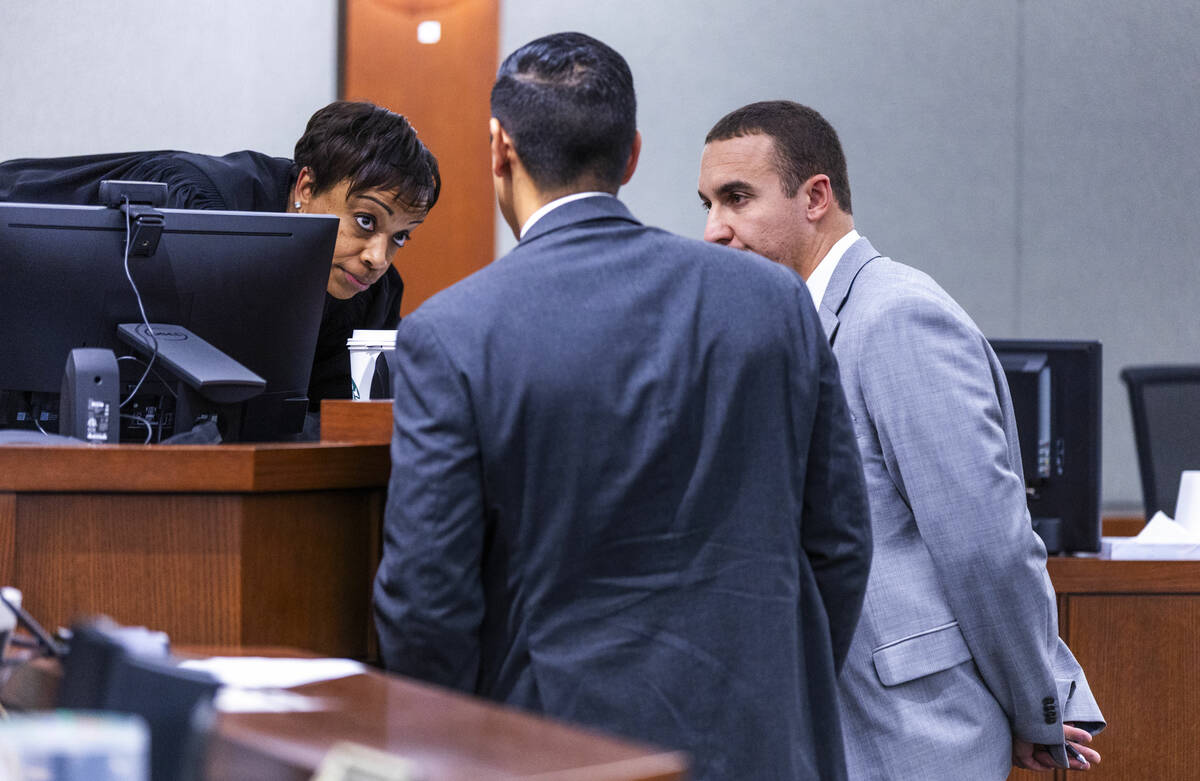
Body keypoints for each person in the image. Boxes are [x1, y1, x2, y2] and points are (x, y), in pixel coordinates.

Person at [373, 33, 873, 780]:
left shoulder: (452, 333)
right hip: (763, 744)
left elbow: (427, 603)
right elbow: (839, 542)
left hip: (555, 749)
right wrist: (777, 692)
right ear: (632, 154)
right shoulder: (774, 303)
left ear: (498, 147)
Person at [697, 100, 1106, 779]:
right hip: (823, 727)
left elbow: (985, 544)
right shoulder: (790, 325)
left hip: (915, 734)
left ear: (816, 197)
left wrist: (1036, 703)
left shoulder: (895, 317)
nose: (714, 229)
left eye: (737, 198)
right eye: (708, 203)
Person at [0, 100, 440, 411]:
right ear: (306, 187)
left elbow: (328, 419)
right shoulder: (205, 211)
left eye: (401, 237)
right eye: (366, 221)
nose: (378, 257)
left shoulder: (369, 292)